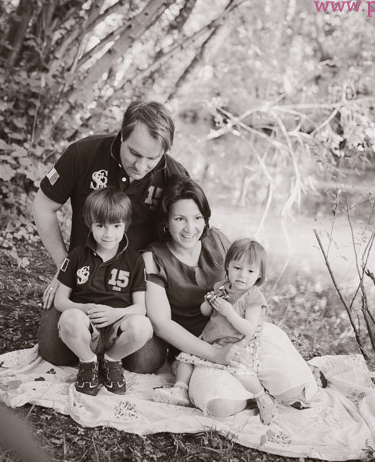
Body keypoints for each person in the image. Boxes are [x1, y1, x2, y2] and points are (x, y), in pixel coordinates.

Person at [143, 176, 321, 419]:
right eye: (179, 218)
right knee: (220, 407)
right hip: (201, 347)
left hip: (242, 334)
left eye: (197, 218)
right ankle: (251, 392)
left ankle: (257, 382)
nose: (189, 228)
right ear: (166, 221)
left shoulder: (217, 239)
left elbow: (248, 281)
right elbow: (160, 324)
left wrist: (250, 333)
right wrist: (216, 354)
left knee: (295, 392)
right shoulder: (153, 258)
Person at [34, 100, 188, 371]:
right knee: (52, 349)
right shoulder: (84, 153)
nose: (141, 166)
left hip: (135, 290)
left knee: (146, 361)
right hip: (82, 281)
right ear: (122, 134)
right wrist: (64, 267)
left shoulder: (175, 176)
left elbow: (188, 235)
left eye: (152, 158)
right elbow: (44, 206)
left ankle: (108, 349)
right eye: (134, 153)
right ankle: (90, 351)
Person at [154, 238, 278, 424]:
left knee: (240, 372)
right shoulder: (221, 287)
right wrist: (209, 302)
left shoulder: (253, 297)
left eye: (250, 271)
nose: (242, 275)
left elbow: (249, 329)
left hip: (236, 343)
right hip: (211, 340)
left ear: (259, 275)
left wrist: (229, 312)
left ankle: (261, 396)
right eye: (237, 268)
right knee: (185, 358)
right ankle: (180, 388)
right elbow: (205, 312)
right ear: (227, 266)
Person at [48, 187, 151, 395]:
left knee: (143, 326)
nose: (108, 234)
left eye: (116, 225)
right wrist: (83, 308)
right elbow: (60, 301)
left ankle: (112, 361)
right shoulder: (77, 256)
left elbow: (141, 308)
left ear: (126, 225)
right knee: (69, 318)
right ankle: (88, 363)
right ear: (90, 223)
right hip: (86, 327)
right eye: (100, 225)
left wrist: (116, 313)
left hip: (117, 328)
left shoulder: (134, 260)